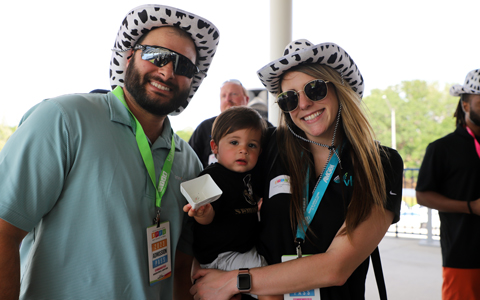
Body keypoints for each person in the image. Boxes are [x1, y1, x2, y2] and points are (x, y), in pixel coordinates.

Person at [0, 4, 219, 300]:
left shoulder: (187, 161)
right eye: (156, 55)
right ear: (129, 57)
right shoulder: (64, 118)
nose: (167, 71)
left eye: (184, 66)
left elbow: (181, 267)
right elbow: (4, 230)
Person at [189, 39, 404, 300]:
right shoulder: (270, 148)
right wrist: (205, 259)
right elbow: (227, 196)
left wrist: (235, 280)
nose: (302, 104)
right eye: (289, 98)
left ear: (339, 89)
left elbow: (337, 267)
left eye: (314, 89)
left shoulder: (381, 164)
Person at [184, 106, 279, 299]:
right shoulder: (212, 177)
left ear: (260, 151)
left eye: (251, 145)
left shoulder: (250, 175)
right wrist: (203, 212)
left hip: (244, 248)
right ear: (214, 147)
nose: (243, 150)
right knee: (273, 285)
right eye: (234, 142)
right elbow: (205, 219)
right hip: (222, 255)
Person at [416, 69, 480, 300]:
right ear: (465, 105)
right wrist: (471, 206)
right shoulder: (441, 148)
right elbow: (422, 196)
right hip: (463, 256)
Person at [188, 79, 250, 168]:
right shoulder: (205, 128)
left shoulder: (262, 128)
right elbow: (190, 164)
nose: (228, 99)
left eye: (234, 94)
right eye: (223, 96)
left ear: (246, 99)